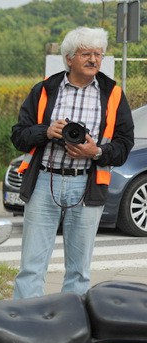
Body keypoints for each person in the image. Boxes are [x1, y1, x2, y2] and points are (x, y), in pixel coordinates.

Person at [11, 26, 134, 300]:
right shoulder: (45, 90)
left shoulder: (112, 93)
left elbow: (124, 145)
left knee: (79, 270)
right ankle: (23, 323)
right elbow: (19, 135)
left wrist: (96, 151)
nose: (94, 60)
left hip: (87, 185)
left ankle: (71, 324)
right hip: (44, 182)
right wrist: (46, 131)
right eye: (86, 54)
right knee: (31, 267)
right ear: (69, 58)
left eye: (98, 54)